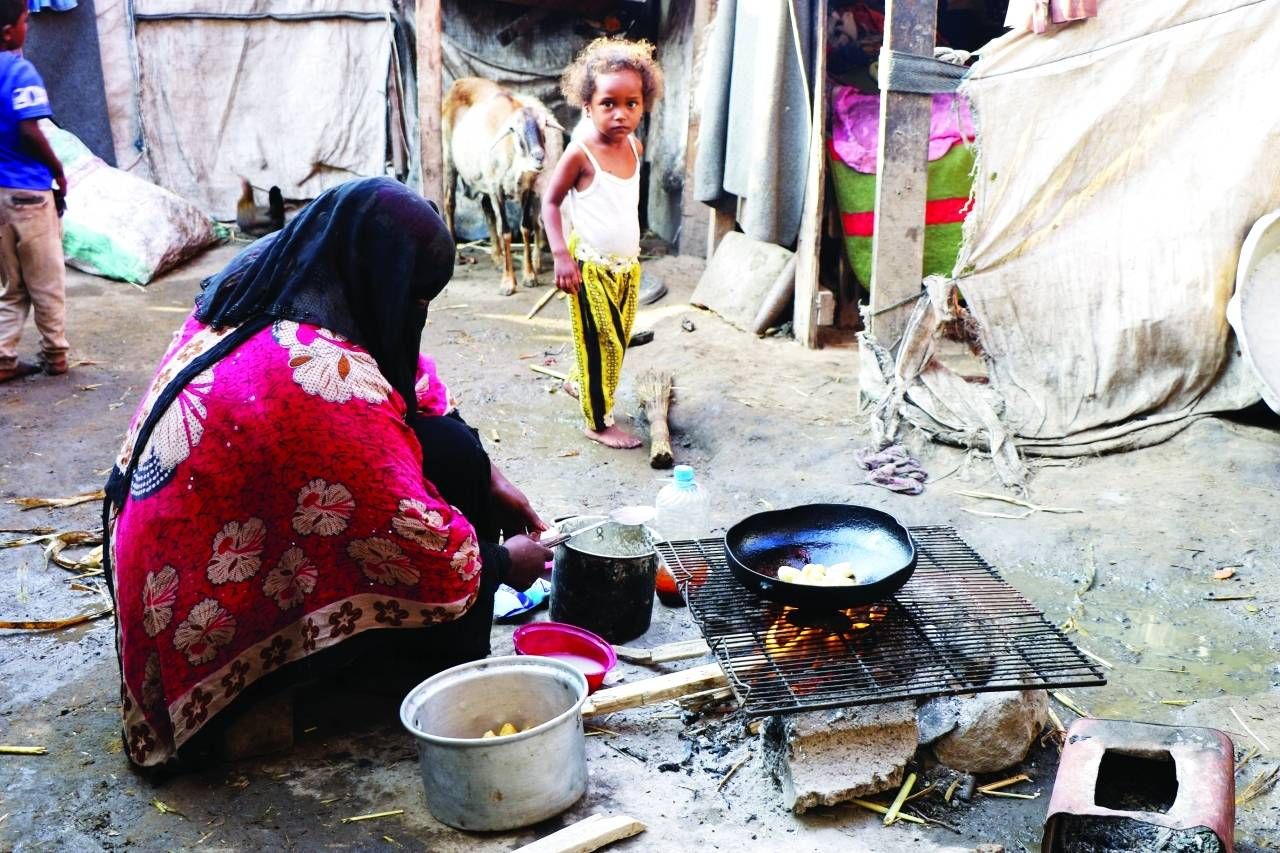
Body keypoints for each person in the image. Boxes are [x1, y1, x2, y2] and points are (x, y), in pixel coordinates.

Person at [103, 178, 552, 768]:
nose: (415, 315)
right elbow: (423, 545)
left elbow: (414, 383)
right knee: (434, 499)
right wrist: (503, 563)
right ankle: (396, 676)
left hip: (166, 552)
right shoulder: (323, 375)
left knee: (455, 450)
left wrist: (491, 474)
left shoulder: (273, 278)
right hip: (192, 605)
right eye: (415, 299)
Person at [541, 37, 663, 449]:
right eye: (608, 103)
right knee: (600, 345)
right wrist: (561, 255)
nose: (621, 113)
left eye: (632, 103)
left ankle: (579, 382)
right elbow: (550, 202)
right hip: (589, 267)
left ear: (644, 104)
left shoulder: (635, 147)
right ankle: (597, 422)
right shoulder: (580, 154)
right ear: (587, 105)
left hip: (627, 267)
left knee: (617, 340)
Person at [0, 0, 69, 383]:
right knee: (47, 281)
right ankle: (55, 355)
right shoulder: (19, 70)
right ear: (9, 31)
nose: (28, 27)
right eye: (26, 20)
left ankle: (3, 357)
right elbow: (30, 129)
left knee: (12, 286)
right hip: (28, 194)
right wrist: (58, 171)